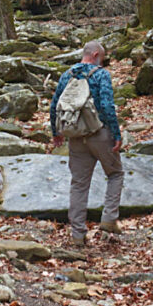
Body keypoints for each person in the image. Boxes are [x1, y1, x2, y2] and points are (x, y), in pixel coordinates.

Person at [50, 40, 123, 246]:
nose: (103, 61)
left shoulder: (67, 75)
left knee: (79, 185)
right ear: (96, 54)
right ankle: (109, 218)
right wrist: (116, 134)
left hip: (75, 136)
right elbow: (108, 106)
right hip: (99, 134)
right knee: (115, 173)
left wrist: (56, 132)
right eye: (103, 57)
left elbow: (55, 104)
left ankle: (78, 235)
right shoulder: (101, 75)